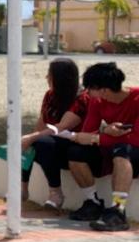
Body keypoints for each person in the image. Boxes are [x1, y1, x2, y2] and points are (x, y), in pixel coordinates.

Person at [65, 62, 139, 232]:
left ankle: (118, 211)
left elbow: (137, 140)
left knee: (122, 151)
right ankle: (93, 203)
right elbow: (88, 132)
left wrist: (98, 138)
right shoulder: (97, 101)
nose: (87, 92)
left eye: (90, 88)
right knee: (76, 152)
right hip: (113, 149)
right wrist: (105, 130)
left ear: (104, 90)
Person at [19, 58, 89, 209]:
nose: (46, 78)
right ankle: (22, 188)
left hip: (74, 144)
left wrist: (32, 138)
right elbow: (42, 123)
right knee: (28, 144)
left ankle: (56, 192)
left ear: (60, 78)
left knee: (40, 142)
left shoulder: (82, 98)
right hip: (52, 143)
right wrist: (28, 140)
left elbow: (61, 127)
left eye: (49, 75)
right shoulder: (50, 95)